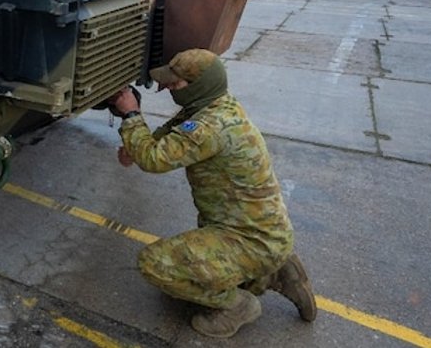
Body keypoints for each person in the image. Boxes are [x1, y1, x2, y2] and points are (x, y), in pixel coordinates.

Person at [109, 48, 316, 338]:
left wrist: (131, 115)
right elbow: (164, 139)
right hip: (261, 231)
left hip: (248, 239)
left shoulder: (209, 127)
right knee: (192, 266)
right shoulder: (214, 105)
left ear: (199, 86)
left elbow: (155, 160)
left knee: (155, 264)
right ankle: (276, 271)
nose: (168, 88)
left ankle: (238, 305)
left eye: (176, 83)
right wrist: (135, 145)